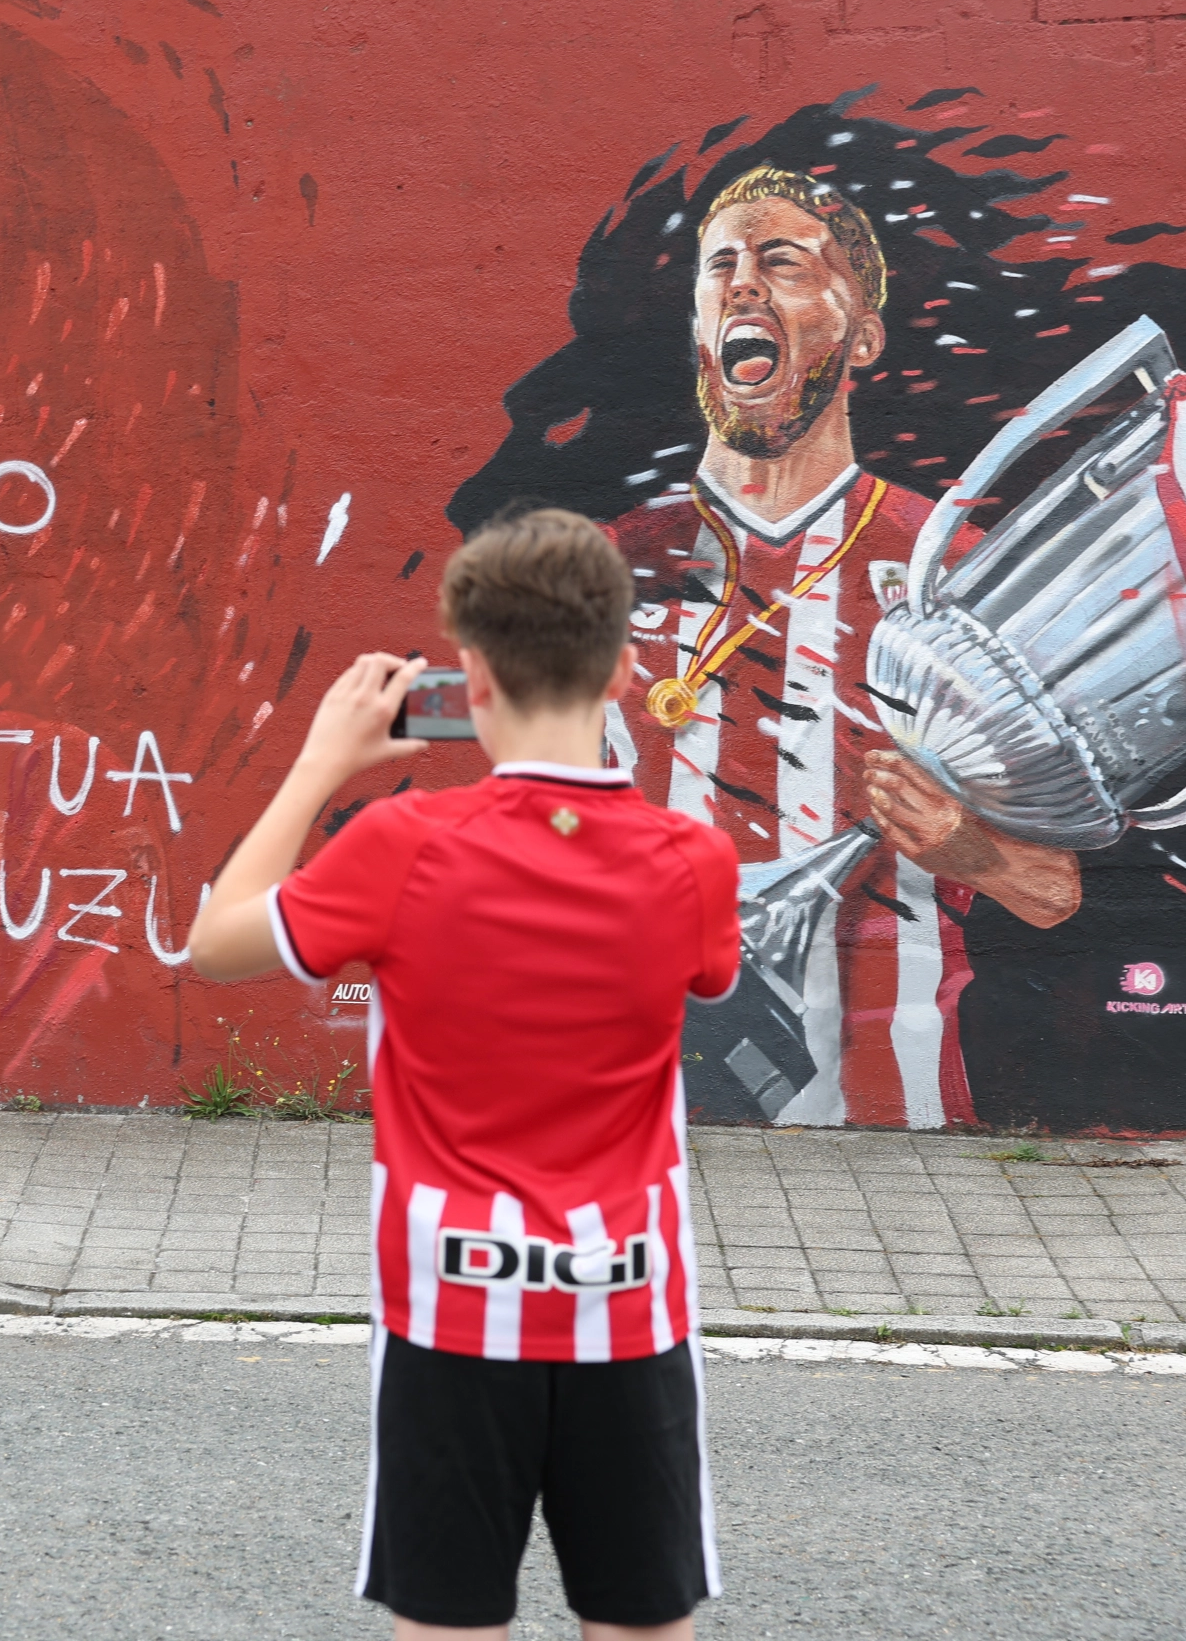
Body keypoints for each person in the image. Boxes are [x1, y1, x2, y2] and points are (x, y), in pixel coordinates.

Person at [188, 508, 739, 1641]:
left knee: (447, 1622)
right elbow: (711, 975)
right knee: (643, 1624)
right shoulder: (694, 860)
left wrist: (321, 764)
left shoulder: (401, 847)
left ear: (471, 676)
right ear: (624, 673)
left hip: (453, 1309)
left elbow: (217, 943)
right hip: (627, 1307)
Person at [610, 165, 1078, 1129]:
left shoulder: (951, 569)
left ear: (862, 333)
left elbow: (1052, 890)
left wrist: (964, 845)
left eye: (782, 262)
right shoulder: (610, 566)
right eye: (721, 266)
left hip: (891, 1121)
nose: (744, 283)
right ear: (699, 322)